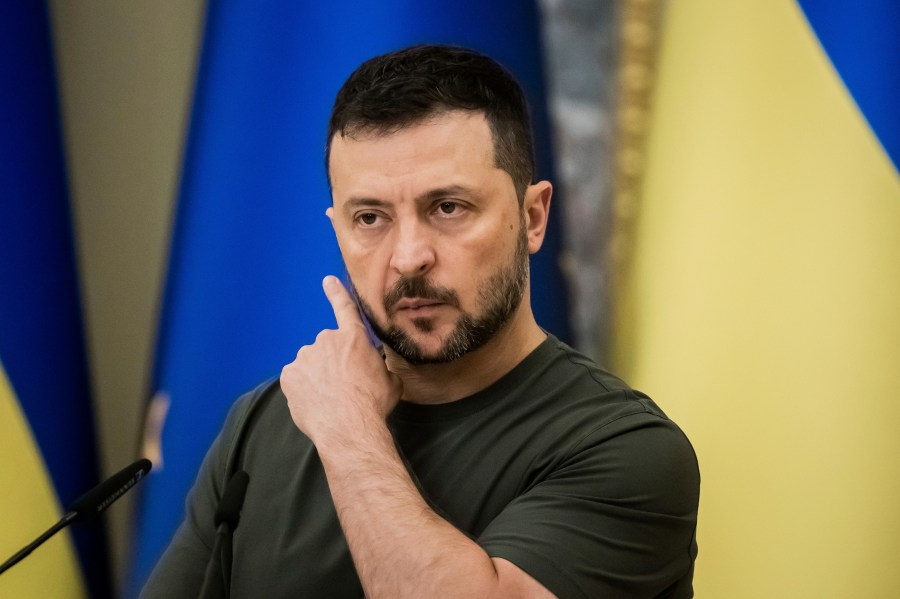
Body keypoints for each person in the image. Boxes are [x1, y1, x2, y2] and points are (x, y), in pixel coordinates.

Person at [141, 44, 700, 599]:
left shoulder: (626, 451)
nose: (409, 256)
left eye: (448, 207)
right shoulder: (263, 423)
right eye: (370, 218)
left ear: (532, 218)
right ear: (338, 230)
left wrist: (349, 432)